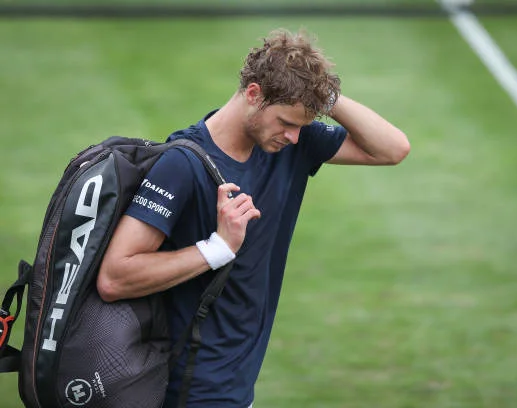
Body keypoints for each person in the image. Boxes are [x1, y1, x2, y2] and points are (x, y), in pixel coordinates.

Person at [97, 28, 410, 408]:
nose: (294, 136)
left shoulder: (291, 145)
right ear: (253, 94)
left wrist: (323, 95)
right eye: (286, 122)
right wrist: (218, 248)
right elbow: (115, 278)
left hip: (236, 384)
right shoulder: (182, 165)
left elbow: (392, 149)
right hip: (191, 388)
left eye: (301, 126)